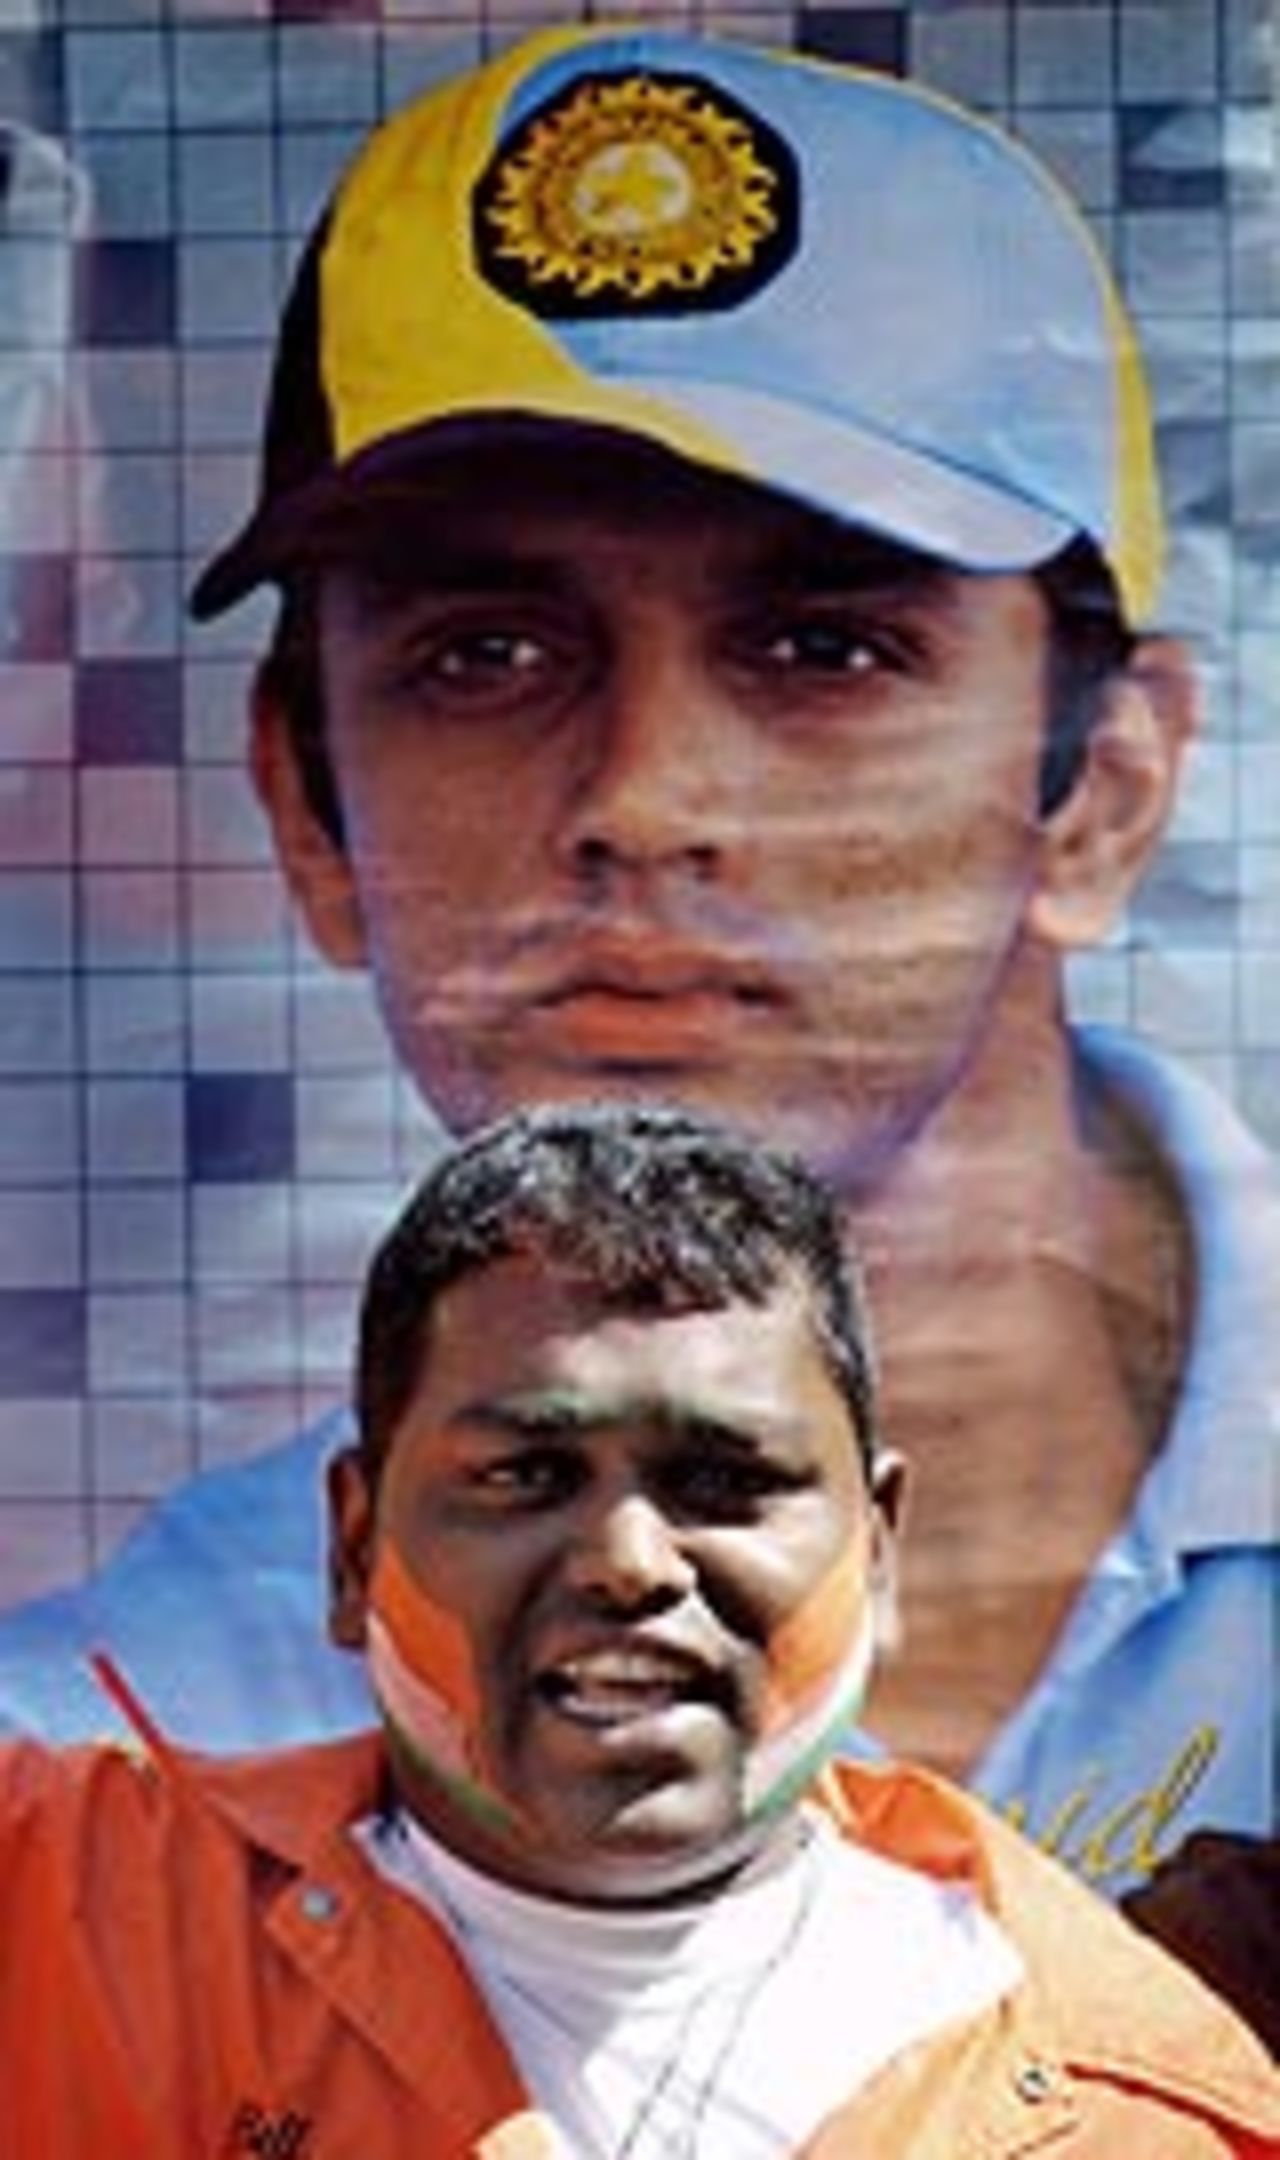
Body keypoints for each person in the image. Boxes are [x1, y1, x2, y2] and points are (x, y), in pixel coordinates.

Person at [0, 26, 1273, 1909]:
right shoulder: (117, 1768)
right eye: (485, 656)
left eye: (824, 648)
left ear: (1101, 787)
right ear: (308, 810)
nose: (643, 801)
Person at [2, 1099, 1276, 2156]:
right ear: (353, 1548)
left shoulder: (1133, 2108)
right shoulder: (70, 1924)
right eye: (522, 1476)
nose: (626, 1562)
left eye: (723, 1482)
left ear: (877, 1550)